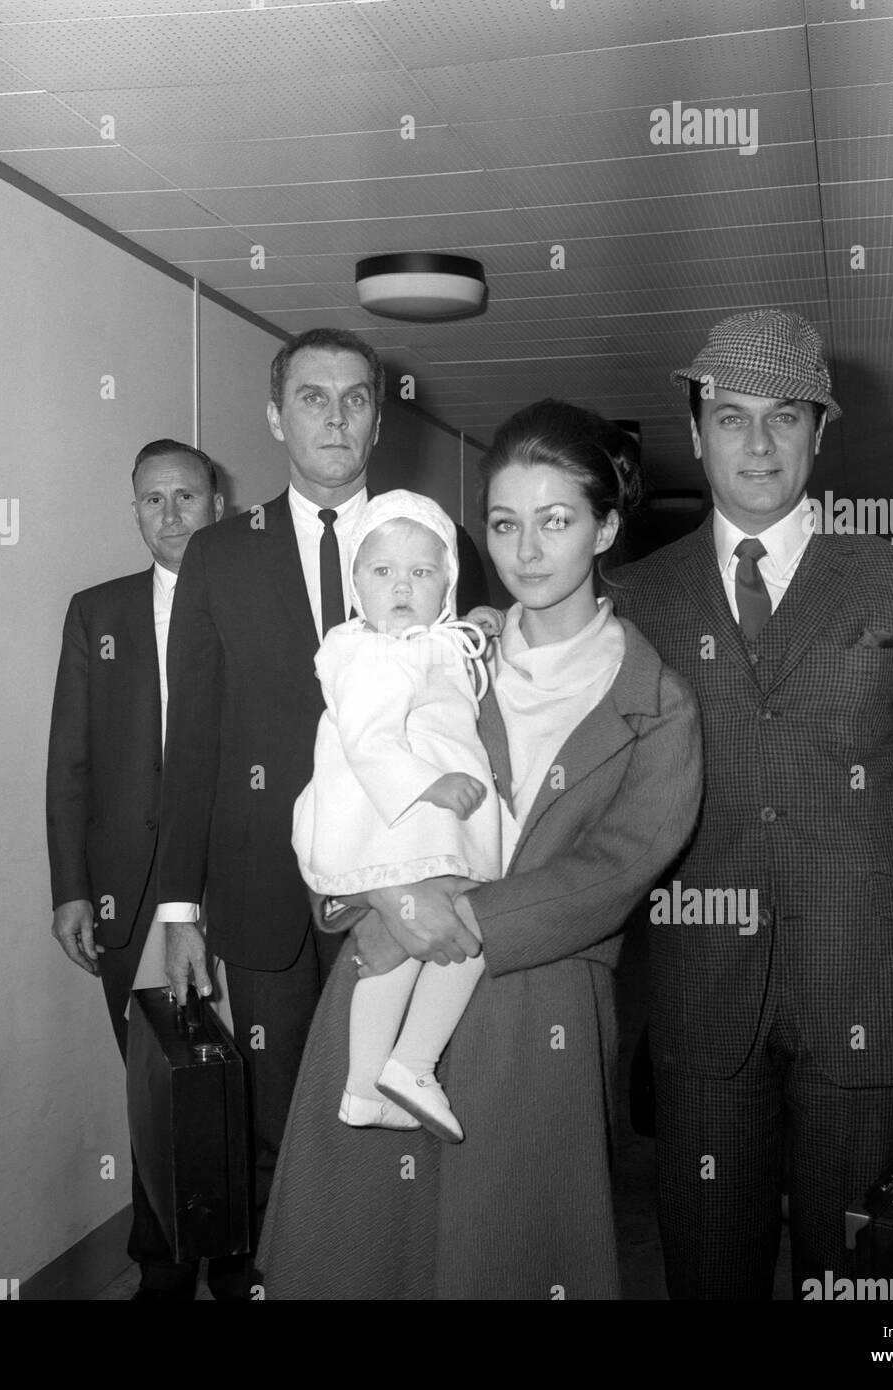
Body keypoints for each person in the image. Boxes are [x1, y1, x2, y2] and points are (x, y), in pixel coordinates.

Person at [607, 308, 893, 1299]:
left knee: (863, 1274)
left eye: (782, 418)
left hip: (868, 991)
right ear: (694, 427)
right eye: (731, 416)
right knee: (707, 1265)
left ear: (818, 433)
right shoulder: (628, 600)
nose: (756, 443)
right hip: (698, 1002)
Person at [258, 398, 703, 1299]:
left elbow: (613, 873)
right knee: (363, 1261)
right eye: (504, 524)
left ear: (605, 527)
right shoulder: (432, 652)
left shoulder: (657, 702)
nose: (526, 552)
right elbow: (341, 786)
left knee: (502, 1258)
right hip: (381, 982)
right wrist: (376, 897)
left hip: (533, 1012)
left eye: (555, 521)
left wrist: (450, 914)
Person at [154, 329, 489, 1281]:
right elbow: (195, 737)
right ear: (274, 416)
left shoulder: (440, 544)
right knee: (272, 1115)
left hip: (410, 876)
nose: (334, 418)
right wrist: (180, 906)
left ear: (379, 418)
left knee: (398, 1100)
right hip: (264, 891)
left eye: (353, 399)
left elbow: (476, 707)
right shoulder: (218, 555)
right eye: (311, 398)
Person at [45, 439, 224, 1299]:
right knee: (157, 1085)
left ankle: (237, 1257)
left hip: (237, 879)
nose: (169, 515)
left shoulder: (254, 604)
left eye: (184, 496)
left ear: (215, 503)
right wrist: (71, 886)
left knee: (240, 1077)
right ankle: (160, 1261)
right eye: (151, 500)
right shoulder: (98, 612)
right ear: (136, 512)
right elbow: (68, 762)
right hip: (129, 890)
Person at [292, 490, 502, 1142]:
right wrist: (431, 783)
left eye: (422, 571)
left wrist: (485, 632)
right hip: (394, 820)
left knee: (398, 953)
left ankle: (363, 1089)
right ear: (354, 584)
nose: (402, 585)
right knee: (465, 935)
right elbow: (369, 741)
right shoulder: (370, 654)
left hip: (411, 824)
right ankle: (413, 1064)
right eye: (382, 571)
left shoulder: (429, 643)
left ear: (449, 585)